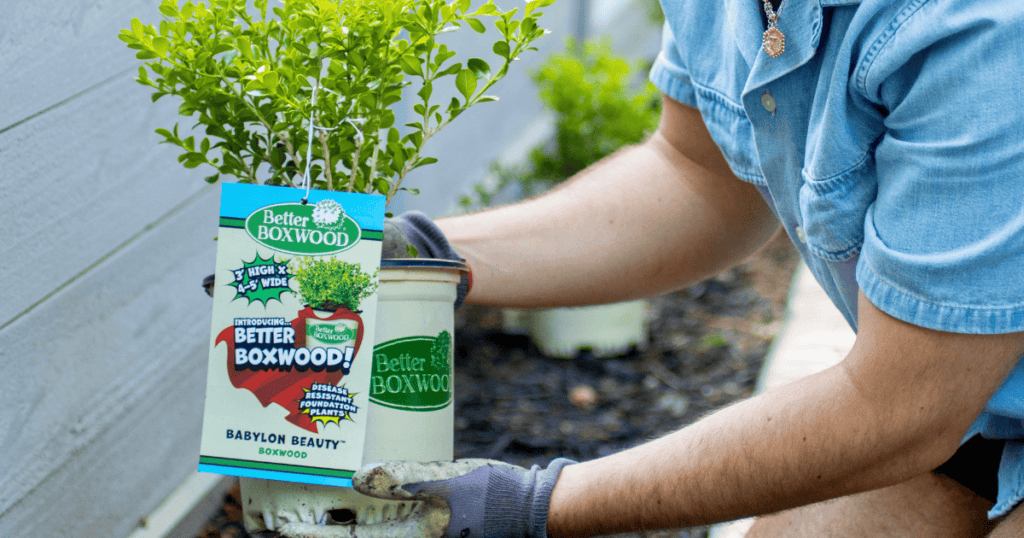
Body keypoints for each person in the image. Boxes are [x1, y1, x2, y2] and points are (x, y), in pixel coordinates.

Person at [363, 0, 1024, 536]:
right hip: (982, 414)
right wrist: (425, 256)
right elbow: (698, 176)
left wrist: (530, 504)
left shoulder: (978, 30)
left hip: (939, 397)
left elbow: (904, 408)